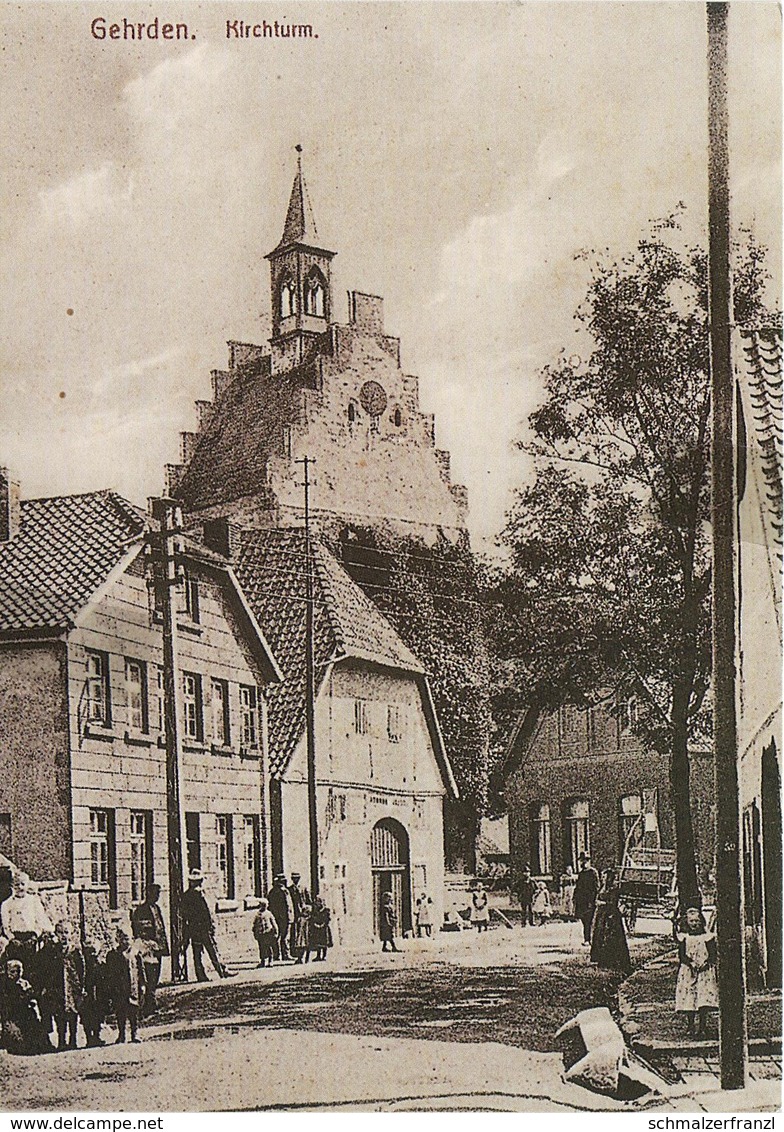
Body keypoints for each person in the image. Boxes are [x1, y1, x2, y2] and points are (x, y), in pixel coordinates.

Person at [179, 870, 230, 982]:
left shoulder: (185, 895)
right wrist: (210, 926)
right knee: (212, 949)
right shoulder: (199, 894)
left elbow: (184, 914)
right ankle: (222, 971)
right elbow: (205, 912)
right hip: (203, 928)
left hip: (192, 928)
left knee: (197, 952)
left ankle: (201, 975)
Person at [675, 907, 718, 1037]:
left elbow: (713, 954)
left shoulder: (707, 937)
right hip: (689, 971)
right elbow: (682, 955)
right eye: (691, 921)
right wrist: (691, 963)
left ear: (701, 922)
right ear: (687, 922)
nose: (694, 924)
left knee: (703, 999)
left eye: (696, 921)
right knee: (690, 998)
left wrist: (706, 963)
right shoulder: (685, 937)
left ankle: (703, 1026)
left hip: (704, 972)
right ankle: (690, 1026)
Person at [0, 958, 54, 1055]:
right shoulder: (4, 985)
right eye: (12, 972)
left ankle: (42, 1043)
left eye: (19, 971)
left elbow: (31, 995)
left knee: (36, 1023)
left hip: (26, 1011)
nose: (16, 974)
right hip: (12, 1013)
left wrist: (31, 999)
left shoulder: (24, 983)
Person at [46, 920, 85, 1050]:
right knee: (59, 1013)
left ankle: (73, 1039)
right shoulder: (53, 951)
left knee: (73, 1013)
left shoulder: (75, 950)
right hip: (57, 987)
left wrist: (81, 985)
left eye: (66, 933)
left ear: (72, 934)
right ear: (56, 934)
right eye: (60, 933)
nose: (64, 936)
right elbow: (48, 969)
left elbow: (81, 969)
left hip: (72, 986)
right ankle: (61, 1040)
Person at [131, 883, 169, 1014]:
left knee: (156, 974)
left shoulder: (156, 908)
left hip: (157, 946)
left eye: (158, 894)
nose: (157, 897)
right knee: (149, 974)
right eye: (155, 894)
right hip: (148, 948)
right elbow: (141, 929)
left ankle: (151, 1001)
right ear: (149, 894)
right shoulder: (141, 910)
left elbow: (160, 927)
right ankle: (149, 1003)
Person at [104, 929, 145, 1044]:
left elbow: (141, 970)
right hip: (119, 989)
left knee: (133, 1012)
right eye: (122, 939)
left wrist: (142, 984)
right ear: (117, 940)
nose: (125, 941)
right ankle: (121, 1034)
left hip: (132, 986)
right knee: (120, 1012)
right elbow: (109, 973)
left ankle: (134, 1033)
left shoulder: (135, 953)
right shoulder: (112, 955)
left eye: (127, 938)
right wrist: (110, 987)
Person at [590, 868, 632, 973]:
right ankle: (602, 959)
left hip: (611, 916)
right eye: (602, 877)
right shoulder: (603, 888)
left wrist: (601, 903)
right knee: (600, 936)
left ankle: (613, 960)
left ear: (609, 878)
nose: (602, 879)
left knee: (611, 937)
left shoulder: (613, 889)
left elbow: (612, 903)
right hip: (601, 915)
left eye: (604, 877)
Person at [573, 853, 600, 945]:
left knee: (590, 920)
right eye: (582, 861)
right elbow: (578, 887)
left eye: (585, 860)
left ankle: (590, 939)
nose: (583, 863)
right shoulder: (581, 874)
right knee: (584, 920)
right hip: (581, 901)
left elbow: (596, 887)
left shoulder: (593, 872)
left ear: (588, 861)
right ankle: (587, 939)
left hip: (590, 900)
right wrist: (575, 896)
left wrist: (594, 899)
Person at [267, 875, 294, 961]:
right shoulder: (284, 891)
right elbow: (288, 906)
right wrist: (289, 917)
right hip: (284, 918)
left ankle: (276, 955)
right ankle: (285, 954)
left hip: (276, 917)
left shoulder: (271, 892)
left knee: (276, 936)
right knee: (285, 936)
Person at [289, 872, 312, 963]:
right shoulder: (290, 889)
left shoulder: (303, 888)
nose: (296, 880)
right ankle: (298, 957)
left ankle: (305, 956)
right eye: (294, 878)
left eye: (297, 878)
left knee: (304, 937)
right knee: (296, 937)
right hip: (295, 916)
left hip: (304, 916)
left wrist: (307, 910)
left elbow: (309, 901)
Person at [252, 899, 278, 968]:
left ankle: (270, 960)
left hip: (268, 932)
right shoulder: (258, 915)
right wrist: (255, 931)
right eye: (263, 905)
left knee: (269, 946)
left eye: (266, 905)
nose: (264, 907)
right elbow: (255, 924)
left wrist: (275, 930)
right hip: (260, 933)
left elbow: (273, 922)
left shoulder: (269, 914)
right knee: (261, 947)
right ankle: (262, 961)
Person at [306, 896, 333, 962]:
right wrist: (315, 924)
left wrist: (322, 924)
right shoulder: (315, 911)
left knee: (324, 943)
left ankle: (324, 956)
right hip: (317, 929)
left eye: (318, 902)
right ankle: (318, 956)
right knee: (318, 943)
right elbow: (312, 918)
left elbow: (327, 919)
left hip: (324, 929)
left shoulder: (326, 910)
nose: (317, 904)